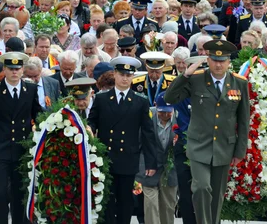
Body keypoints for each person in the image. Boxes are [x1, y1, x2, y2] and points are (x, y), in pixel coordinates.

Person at [165, 40, 250, 224]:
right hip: (199, 145)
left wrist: (239, 151)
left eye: (223, 60)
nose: (218, 64)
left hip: (224, 147)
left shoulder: (239, 83)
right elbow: (169, 97)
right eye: (214, 60)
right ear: (208, 60)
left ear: (229, 62)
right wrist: (184, 75)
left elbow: (243, 120)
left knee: (217, 194)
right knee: (201, 187)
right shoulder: (195, 79)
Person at [87, 56, 158, 224]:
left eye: (128, 75)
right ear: (115, 75)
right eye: (121, 74)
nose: (125, 78)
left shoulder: (140, 102)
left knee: (126, 201)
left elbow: (148, 133)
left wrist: (150, 162)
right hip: (106, 158)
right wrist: (90, 129)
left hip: (128, 157)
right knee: (108, 200)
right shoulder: (102, 99)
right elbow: (92, 120)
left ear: (132, 77)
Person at [0, 52, 42, 224]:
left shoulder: (31, 90)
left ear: (23, 70)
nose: (14, 72)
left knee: (19, 193)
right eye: (11, 68)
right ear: (4, 70)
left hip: (22, 150)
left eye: (18, 68)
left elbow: (39, 115)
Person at [138, 93, 178, 224]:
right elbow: (139, 143)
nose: (165, 115)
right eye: (161, 112)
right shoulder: (147, 115)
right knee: (150, 204)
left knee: (168, 206)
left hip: (170, 170)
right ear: (156, 106)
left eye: (168, 112)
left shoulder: (180, 117)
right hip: (149, 168)